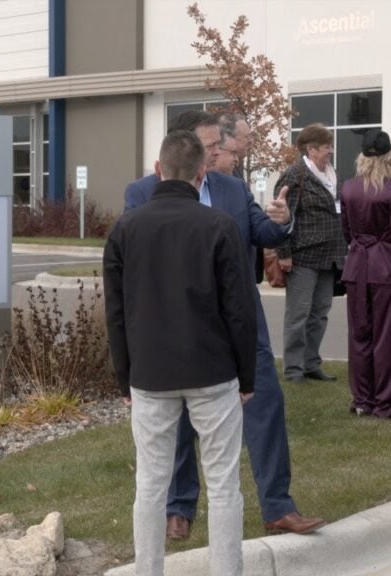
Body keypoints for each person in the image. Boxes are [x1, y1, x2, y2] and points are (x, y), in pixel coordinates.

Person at [125, 111, 324, 540]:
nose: (221, 151)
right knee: (177, 417)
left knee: (265, 404)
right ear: (188, 147)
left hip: (240, 317)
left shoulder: (232, 189)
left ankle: (278, 506)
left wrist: (280, 220)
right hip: (179, 322)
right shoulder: (142, 193)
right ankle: (179, 507)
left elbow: (263, 233)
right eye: (212, 145)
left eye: (220, 144)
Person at [105, 129, 257, 576]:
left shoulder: (124, 229)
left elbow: (115, 313)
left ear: (158, 170)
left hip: (150, 375)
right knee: (225, 484)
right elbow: (241, 311)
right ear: (201, 172)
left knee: (150, 486)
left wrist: (124, 377)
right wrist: (246, 378)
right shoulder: (219, 227)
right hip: (213, 372)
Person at [339, 129, 391, 419]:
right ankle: (384, 402)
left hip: (357, 265)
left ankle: (362, 399)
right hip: (384, 266)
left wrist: (358, 248)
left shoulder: (348, 188)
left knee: (359, 334)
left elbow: (346, 231)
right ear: (389, 156)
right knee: (386, 338)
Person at [273, 123, 347, 383]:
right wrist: (283, 253)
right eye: (327, 146)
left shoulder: (332, 173)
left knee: (320, 314)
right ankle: (293, 369)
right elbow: (281, 217)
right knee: (298, 315)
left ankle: (311, 363)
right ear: (311, 148)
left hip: (330, 256)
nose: (331, 151)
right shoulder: (295, 175)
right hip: (303, 256)